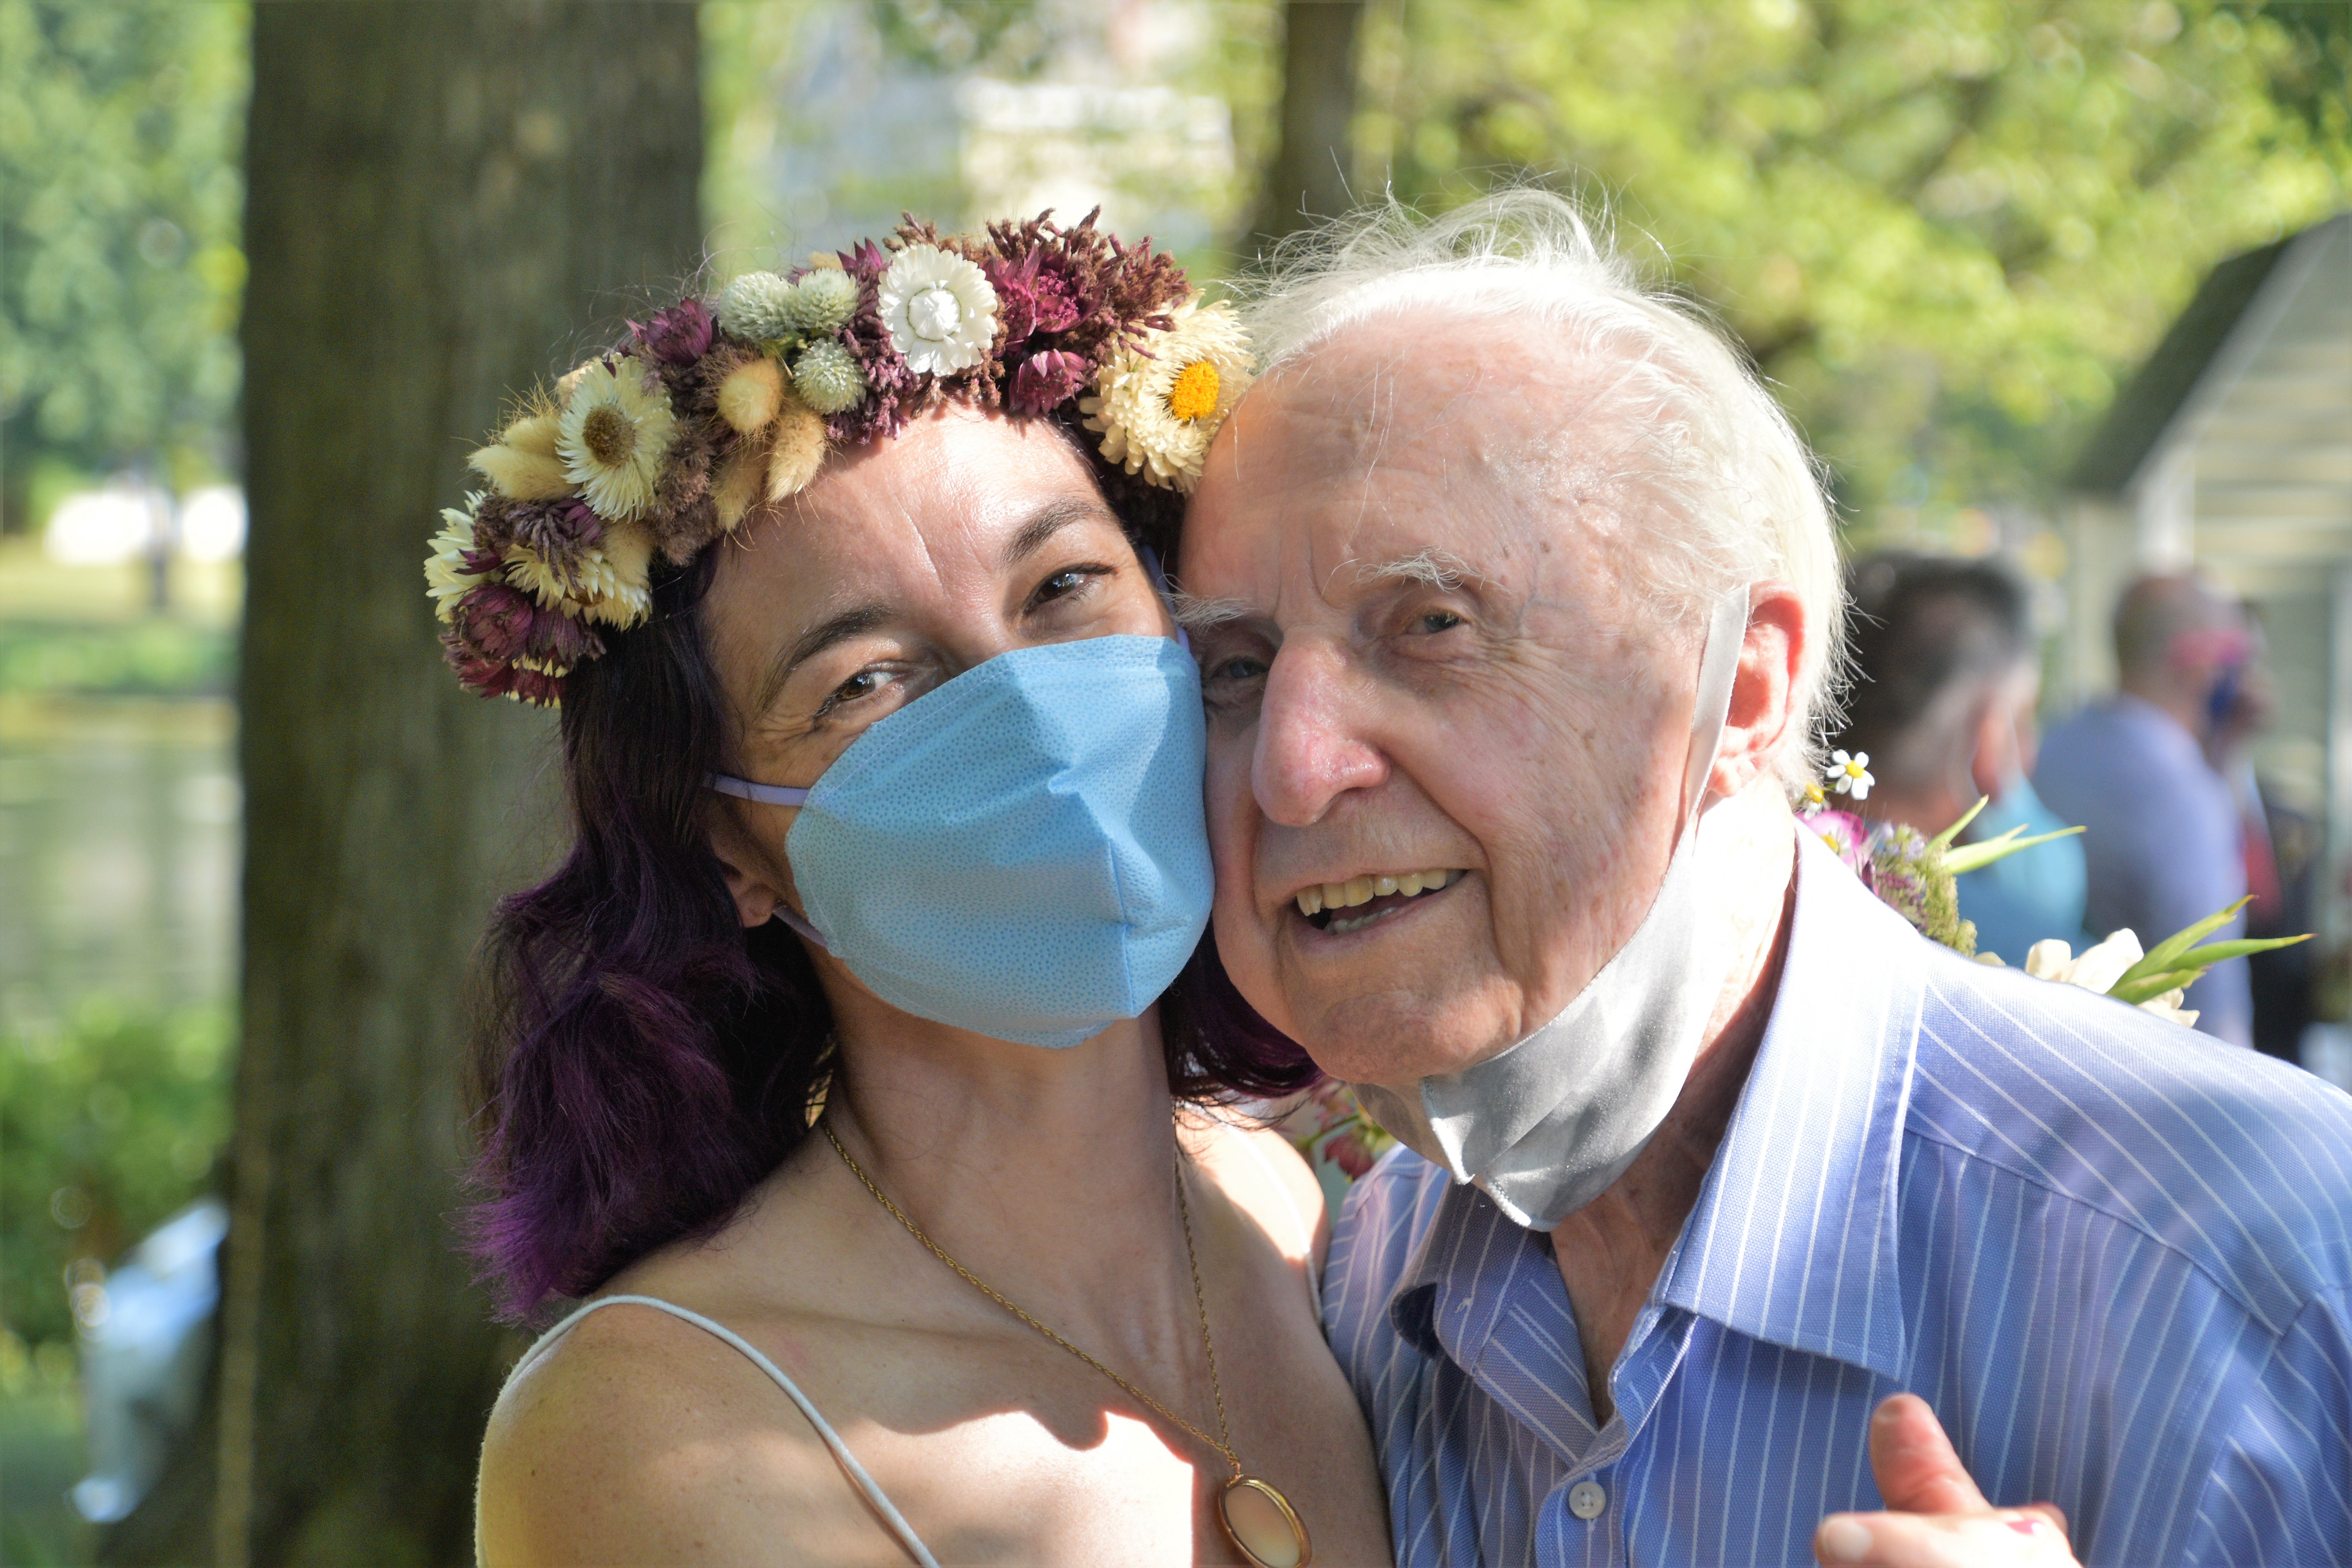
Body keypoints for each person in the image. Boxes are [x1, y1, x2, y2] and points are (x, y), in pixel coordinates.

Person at [1177, 191, 2352, 1567]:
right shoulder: (1348, 1305)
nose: (1293, 769)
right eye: (1237, 670)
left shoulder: (2249, 1261)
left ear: (1741, 681)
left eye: (1432, 625)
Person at [449, 214, 1389, 1565]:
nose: (1032, 721)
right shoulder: (663, 1423)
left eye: (1065, 586)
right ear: (730, 852)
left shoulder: (1303, 1215)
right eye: (866, 682)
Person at [1832, 552, 2087, 964]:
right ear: (1989, 738)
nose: (2030, 749)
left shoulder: (1759, 879)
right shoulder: (2036, 968)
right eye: (2022, 719)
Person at [2036, 575, 2256, 1046]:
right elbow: (2212, 998)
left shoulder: (2055, 747)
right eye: (2237, 658)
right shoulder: (2185, 797)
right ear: (2197, 665)